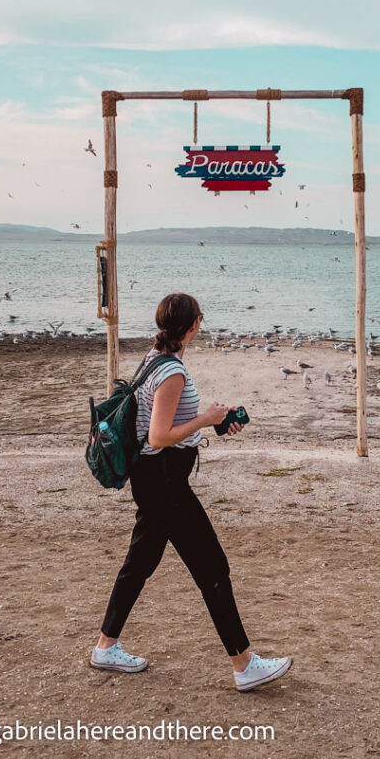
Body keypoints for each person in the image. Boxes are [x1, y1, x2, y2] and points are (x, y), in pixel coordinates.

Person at [91, 292, 293, 692]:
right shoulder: (171, 372)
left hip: (157, 479)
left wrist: (215, 422)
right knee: (211, 567)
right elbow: (159, 435)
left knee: (141, 563)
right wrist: (204, 418)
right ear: (195, 323)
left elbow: (162, 423)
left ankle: (105, 646)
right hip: (164, 482)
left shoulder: (155, 359)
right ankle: (244, 664)